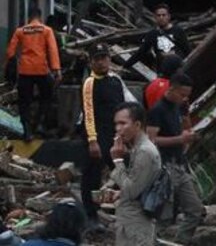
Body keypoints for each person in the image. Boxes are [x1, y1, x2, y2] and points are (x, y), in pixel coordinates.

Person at [79, 43, 132, 231]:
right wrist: (92, 141)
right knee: (92, 177)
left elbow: (123, 108)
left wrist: (125, 135)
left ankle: (129, 213)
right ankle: (90, 215)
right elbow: (88, 112)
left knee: (124, 173)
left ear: (109, 59)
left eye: (104, 58)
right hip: (97, 136)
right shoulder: (89, 83)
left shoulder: (115, 81)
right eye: (97, 59)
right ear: (91, 61)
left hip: (115, 136)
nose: (101, 62)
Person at [146, 73, 204, 244]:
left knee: (195, 210)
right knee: (164, 215)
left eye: (187, 95)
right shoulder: (158, 110)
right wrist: (179, 139)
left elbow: (184, 127)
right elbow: (151, 140)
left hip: (179, 165)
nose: (185, 98)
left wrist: (189, 136)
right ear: (171, 89)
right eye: (182, 94)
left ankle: (180, 242)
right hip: (164, 168)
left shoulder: (178, 107)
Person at [4, 7, 61, 140]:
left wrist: (10, 67)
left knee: (24, 102)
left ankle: (27, 132)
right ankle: (40, 124)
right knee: (47, 97)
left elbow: (10, 52)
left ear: (28, 17)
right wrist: (56, 69)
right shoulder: (47, 30)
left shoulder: (20, 31)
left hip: (25, 71)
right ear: (40, 17)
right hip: (42, 70)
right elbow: (53, 50)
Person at [110, 102, 162, 246]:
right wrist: (120, 193)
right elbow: (140, 184)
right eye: (116, 124)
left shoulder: (145, 151)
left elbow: (132, 190)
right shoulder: (137, 148)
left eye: (123, 123)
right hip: (130, 222)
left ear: (137, 125)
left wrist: (118, 160)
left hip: (136, 225)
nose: (118, 129)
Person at [124, 4, 190, 70]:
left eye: (164, 15)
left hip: (178, 69)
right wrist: (125, 66)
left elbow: (187, 50)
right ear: (155, 17)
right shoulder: (153, 34)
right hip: (162, 71)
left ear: (168, 16)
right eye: (159, 15)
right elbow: (141, 53)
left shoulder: (178, 31)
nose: (161, 18)